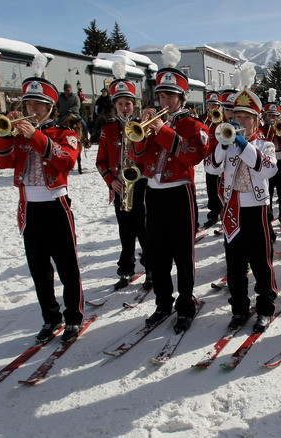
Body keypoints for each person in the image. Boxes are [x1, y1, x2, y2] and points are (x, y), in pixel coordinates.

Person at [0, 55, 85, 345]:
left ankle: (73, 317)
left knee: (67, 265)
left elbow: (67, 162)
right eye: (27, 104)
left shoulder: (63, 133)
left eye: (37, 105)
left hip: (56, 205)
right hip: (29, 208)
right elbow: (0, 162)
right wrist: (6, 135)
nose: (30, 109)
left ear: (49, 108)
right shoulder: (17, 135)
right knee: (39, 268)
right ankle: (50, 317)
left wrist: (37, 137)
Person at [130, 45, 207, 333]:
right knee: (156, 253)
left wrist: (163, 130)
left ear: (181, 98)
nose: (164, 100)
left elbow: (192, 155)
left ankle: (185, 305)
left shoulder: (192, 124)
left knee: (183, 254)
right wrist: (142, 131)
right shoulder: (149, 123)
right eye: (161, 95)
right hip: (154, 191)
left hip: (180, 193)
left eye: (170, 95)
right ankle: (163, 303)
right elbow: (137, 156)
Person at [211, 70, 279, 333]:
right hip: (231, 210)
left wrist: (243, 145)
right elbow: (211, 167)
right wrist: (223, 144)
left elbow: (268, 168)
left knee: (261, 262)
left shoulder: (264, 145)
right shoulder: (225, 143)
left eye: (245, 117)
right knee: (235, 265)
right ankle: (239, 309)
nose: (239, 121)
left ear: (256, 121)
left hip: (256, 210)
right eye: (236, 116)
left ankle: (265, 308)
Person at [95, 62, 152, 291]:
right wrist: (112, 180)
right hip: (120, 186)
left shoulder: (140, 125)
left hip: (140, 185)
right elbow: (100, 161)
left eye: (128, 103)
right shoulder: (107, 129)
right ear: (115, 106)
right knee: (125, 231)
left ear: (134, 104)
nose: (124, 107)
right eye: (120, 104)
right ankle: (126, 269)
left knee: (144, 229)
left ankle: (150, 269)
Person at [261, 89, 281, 235]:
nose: (272, 117)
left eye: (275, 115)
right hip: (267, 161)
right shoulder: (261, 128)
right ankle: (268, 216)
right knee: (268, 191)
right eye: (269, 115)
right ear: (265, 116)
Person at [201, 89, 225, 229]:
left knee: (220, 187)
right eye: (210, 104)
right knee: (211, 188)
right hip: (208, 159)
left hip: (221, 160)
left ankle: (223, 212)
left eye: (215, 105)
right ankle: (213, 214)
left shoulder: (221, 121)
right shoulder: (204, 120)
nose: (212, 107)